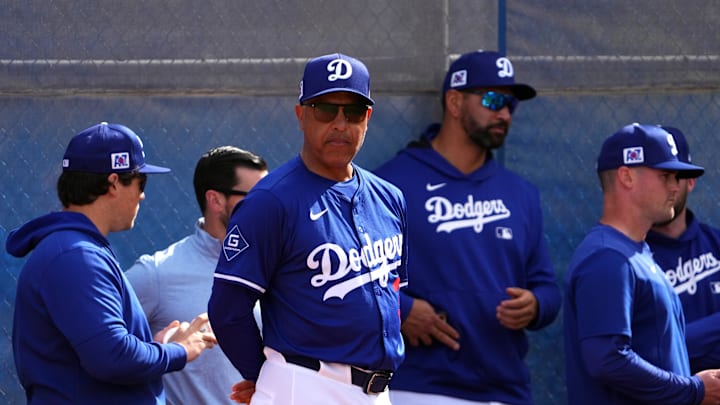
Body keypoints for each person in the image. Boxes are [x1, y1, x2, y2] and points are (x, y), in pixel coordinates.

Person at [208, 52, 408, 405]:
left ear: (368, 118)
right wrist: (262, 373)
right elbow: (227, 310)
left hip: (377, 392)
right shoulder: (270, 201)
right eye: (326, 109)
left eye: (354, 111)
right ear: (301, 115)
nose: (340, 123)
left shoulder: (389, 198)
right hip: (303, 385)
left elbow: (392, 296)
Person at [375, 50, 561, 404]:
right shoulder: (391, 184)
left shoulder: (520, 193)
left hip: (506, 388)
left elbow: (547, 287)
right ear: (455, 102)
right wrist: (402, 309)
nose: (504, 113)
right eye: (493, 100)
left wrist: (535, 305)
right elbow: (359, 280)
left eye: (511, 105)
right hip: (420, 387)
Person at [7, 122, 217, 404]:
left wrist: (156, 347)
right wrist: (179, 350)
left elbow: (102, 350)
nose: (143, 195)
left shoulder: (77, 249)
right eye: (140, 182)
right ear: (114, 182)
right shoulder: (74, 255)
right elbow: (112, 357)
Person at [563, 123, 720, 404]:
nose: (675, 186)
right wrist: (692, 389)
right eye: (665, 175)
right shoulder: (607, 257)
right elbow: (607, 360)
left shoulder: (634, 251)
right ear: (627, 176)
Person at [124, 146, 268, 404]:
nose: (266, 207)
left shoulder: (283, 264)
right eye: (255, 197)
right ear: (215, 200)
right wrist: (160, 350)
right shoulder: (157, 273)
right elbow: (102, 351)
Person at [646, 126, 720, 373]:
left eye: (673, 176)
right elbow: (650, 352)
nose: (667, 187)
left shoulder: (716, 244)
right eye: (658, 177)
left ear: (690, 182)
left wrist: (686, 339)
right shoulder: (632, 258)